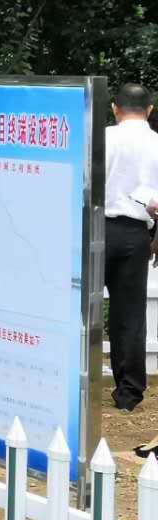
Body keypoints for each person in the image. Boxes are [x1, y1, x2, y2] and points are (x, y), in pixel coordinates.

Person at [104, 83, 158, 412]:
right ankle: (128, 393)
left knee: (79, 307)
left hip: (97, 229)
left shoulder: (102, 138)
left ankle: (74, 381)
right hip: (137, 233)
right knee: (130, 314)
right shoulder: (157, 143)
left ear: (115, 108)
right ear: (149, 110)